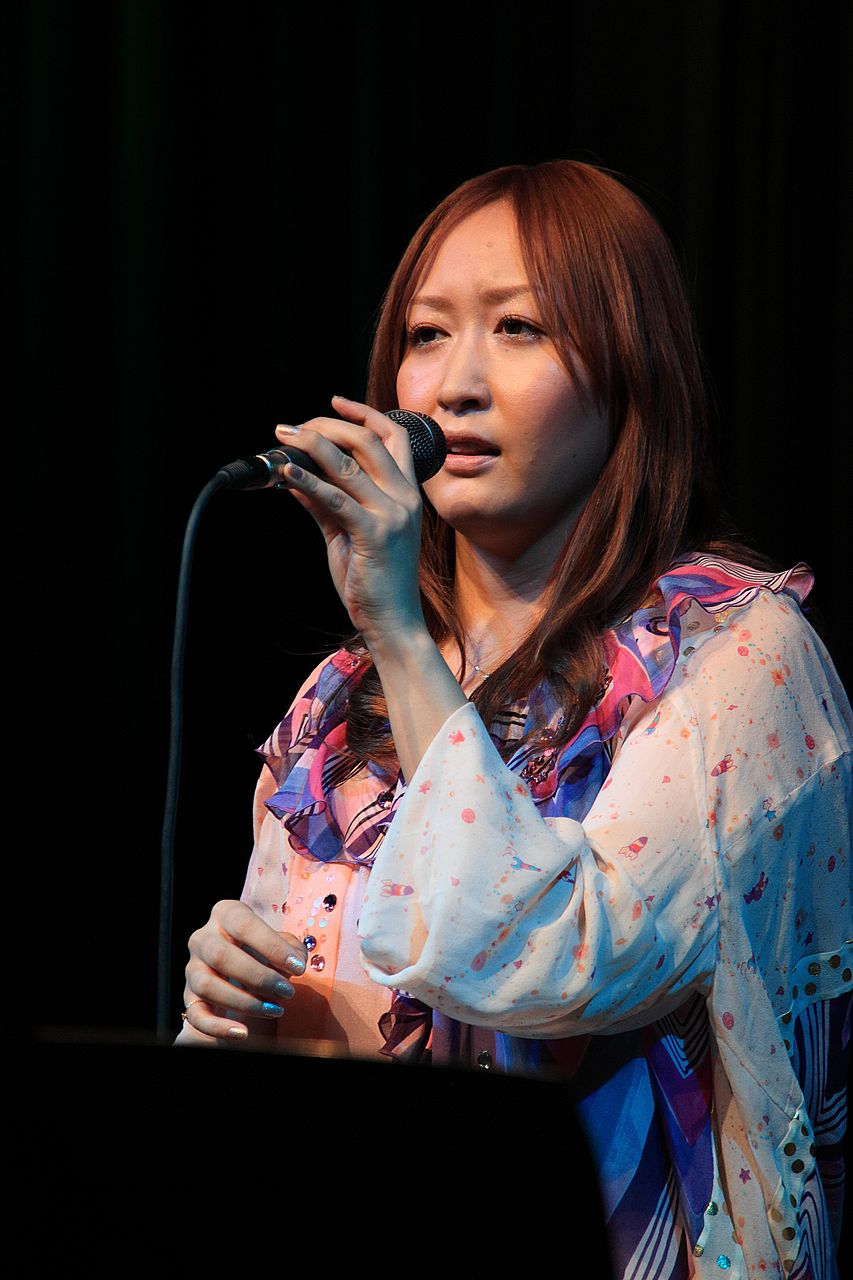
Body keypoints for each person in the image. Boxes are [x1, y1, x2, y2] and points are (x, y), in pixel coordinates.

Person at [176, 161, 852, 1279]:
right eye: (426, 335)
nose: (454, 385)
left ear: (630, 367)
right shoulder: (340, 706)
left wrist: (398, 633)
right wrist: (242, 1016)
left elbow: (565, 960)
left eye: (520, 328)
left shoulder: (732, 655)